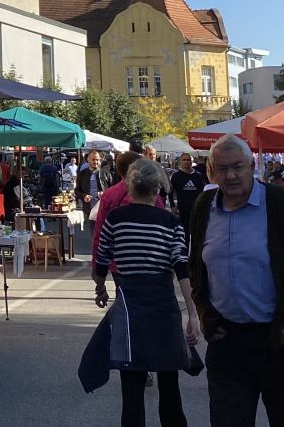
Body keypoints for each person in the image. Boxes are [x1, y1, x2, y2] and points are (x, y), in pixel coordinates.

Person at [187, 135, 284, 427]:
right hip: (228, 343)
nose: (230, 175)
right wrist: (204, 313)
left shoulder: (281, 204)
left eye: (237, 167)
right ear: (211, 172)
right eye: (222, 169)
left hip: (281, 341)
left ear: (251, 165)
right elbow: (196, 267)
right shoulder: (204, 206)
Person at [80, 158, 201, 427]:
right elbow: (182, 268)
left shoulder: (115, 219)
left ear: (130, 188)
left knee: (132, 390)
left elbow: (102, 261)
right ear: (157, 190)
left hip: (129, 310)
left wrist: (100, 289)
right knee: (170, 388)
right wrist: (192, 314)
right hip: (163, 311)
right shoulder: (171, 223)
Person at [93, 151, 145, 255]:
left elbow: (100, 230)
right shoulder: (151, 194)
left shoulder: (109, 194)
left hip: (117, 255)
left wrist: (96, 262)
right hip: (147, 256)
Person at [169, 153, 207, 228]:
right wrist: (172, 205)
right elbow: (170, 191)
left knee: (196, 232)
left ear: (191, 162)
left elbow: (204, 192)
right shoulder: (176, 176)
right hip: (182, 210)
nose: (186, 161)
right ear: (180, 162)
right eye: (184, 160)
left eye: (188, 160)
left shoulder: (198, 175)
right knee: (184, 232)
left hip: (196, 209)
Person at [78, 150, 108, 230]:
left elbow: (114, 189)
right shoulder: (82, 174)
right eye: (93, 159)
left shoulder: (105, 173)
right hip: (90, 208)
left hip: (104, 207)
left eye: (97, 160)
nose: (95, 162)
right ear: (88, 160)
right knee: (94, 233)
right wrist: (84, 196)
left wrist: (104, 193)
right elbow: (77, 190)